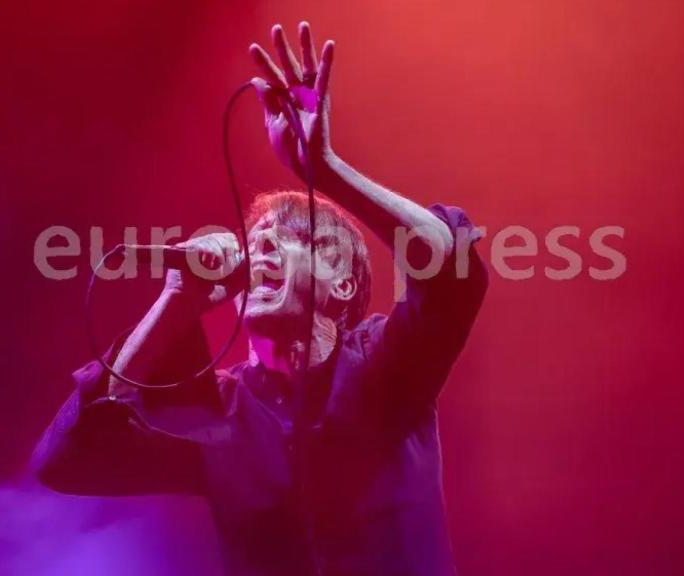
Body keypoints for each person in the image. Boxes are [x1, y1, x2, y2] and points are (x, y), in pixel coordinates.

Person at [31, 21, 489, 576]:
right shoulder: (217, 417)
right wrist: (179, 298)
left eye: (294, 239)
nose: (265, 249)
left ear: (341, 285)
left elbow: (451, 271)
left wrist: (327, 172)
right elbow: (69, 460)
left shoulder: (384, 367)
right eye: (258, 243)